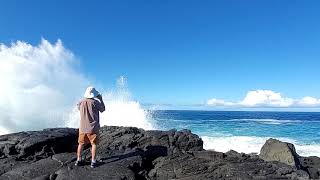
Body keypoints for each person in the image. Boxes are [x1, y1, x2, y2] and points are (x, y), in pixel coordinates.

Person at [75, 86, 105, 168]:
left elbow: (78, 108)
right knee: (94, 144)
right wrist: (101, 99)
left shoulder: (81, 102)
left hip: (82, 128)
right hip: (93, 128)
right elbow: (103, 109)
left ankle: (78, 160)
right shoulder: (95, 102)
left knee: (81, 144)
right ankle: (93, 162)